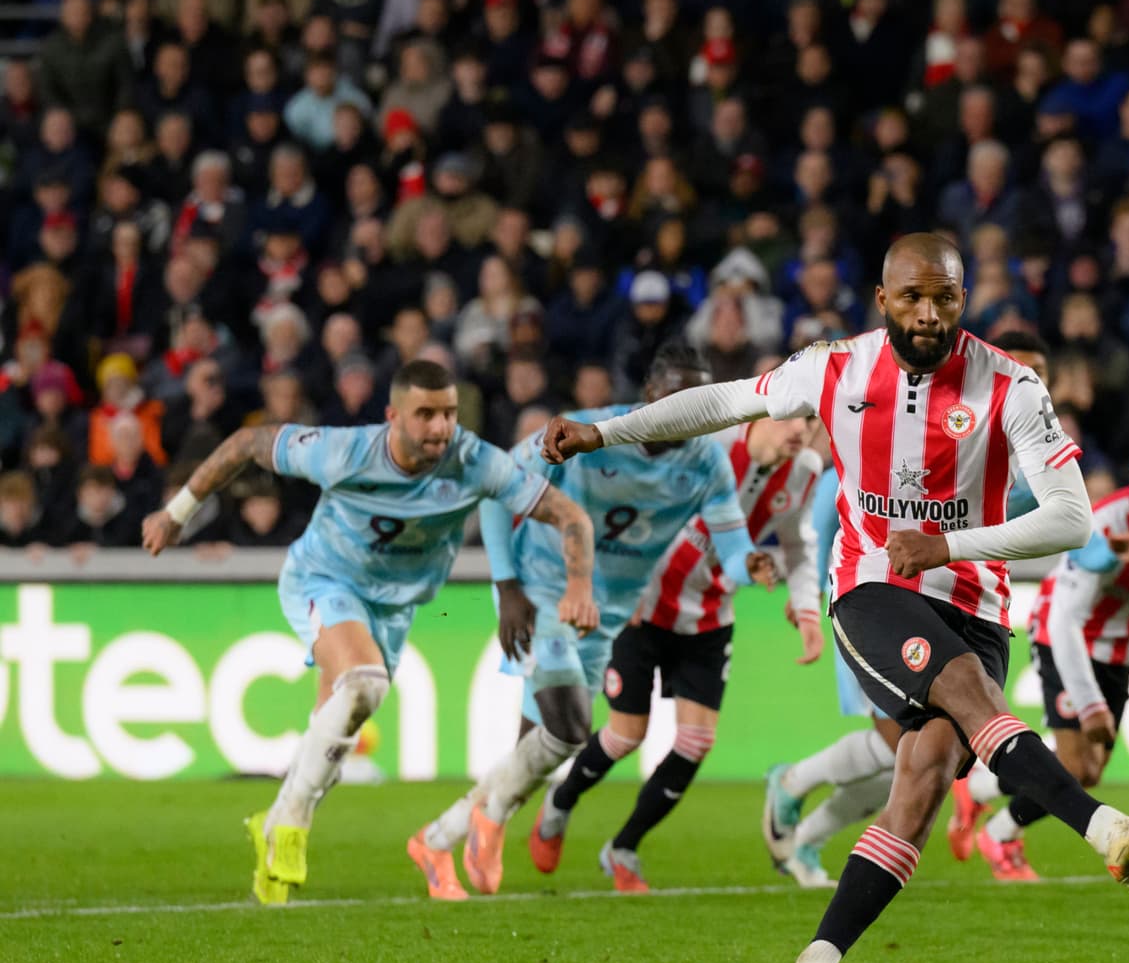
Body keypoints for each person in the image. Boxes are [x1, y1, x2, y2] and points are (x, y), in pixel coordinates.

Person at [541, 235, 1129, 963]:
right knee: (967, 693)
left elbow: (1073, 518)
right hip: (874, 587)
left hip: (975, 601)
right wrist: (605, 432)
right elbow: (724, 402)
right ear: (882, 300)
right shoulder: (835, 367)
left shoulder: (1011, 383)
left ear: (963, 300)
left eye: (944, 297)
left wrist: (948, 546)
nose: (928, 313)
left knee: (926, 774)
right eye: (912, 297)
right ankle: (1105, 829)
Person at [140, 359, 596, 905]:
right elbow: (245, 444)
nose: (440, 427)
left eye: (449, 413)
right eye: (425, 414)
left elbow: (572, 517)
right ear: (392, 416)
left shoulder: (475, 461)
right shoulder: (343, 451)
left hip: (394, 609)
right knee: (364, 683)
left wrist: (579, 586)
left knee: (335, 735)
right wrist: (177, 513)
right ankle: (291, 824)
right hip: (323, 579)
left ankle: (276, 820)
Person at [405, 346, 784, 900]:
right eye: (676, 394)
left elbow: (731, 550)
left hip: (605, 616)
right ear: (650, 393)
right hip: (542, 590)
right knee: (569, 725)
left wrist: (752, 565)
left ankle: (437, 839)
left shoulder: (706, 462)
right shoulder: (584, 432)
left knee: (540, 746)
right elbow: (495, 486)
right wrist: (507, 586)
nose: (687, 409)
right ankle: (489, 818)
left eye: (698, 398)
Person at [759, 332, 1114, 890]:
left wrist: (1112, 552)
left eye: (1038, 374)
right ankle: (795, 786)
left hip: (960, 616)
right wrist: (808, 599)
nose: (1026, 383)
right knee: (896, 744)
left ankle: (806, 833)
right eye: (1018, 368)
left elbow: (1077, 532)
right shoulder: (912, 449)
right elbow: (822, 528)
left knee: (912, 762)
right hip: (881, 605)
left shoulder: (1025, 470)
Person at [520, 393, 821, 894]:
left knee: (696, 742)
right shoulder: (711, 447)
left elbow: (798, 545)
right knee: (626, 735)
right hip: (644, 605)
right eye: (792, 416)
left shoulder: (803, 472)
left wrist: (807, 610)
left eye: (810, 420)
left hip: (709, 617)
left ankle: (623, 848)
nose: (801, 429)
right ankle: (560, 801)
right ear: (763, 410)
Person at [953, 433, 1129, 882]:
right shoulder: (1104, 525)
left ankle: (981, 787)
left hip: (1120, 654)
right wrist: (1089, 704)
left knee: (1090, 771)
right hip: (1063, 637)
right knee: (1076, 764)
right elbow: (1066, 620)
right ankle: (1000, 836)